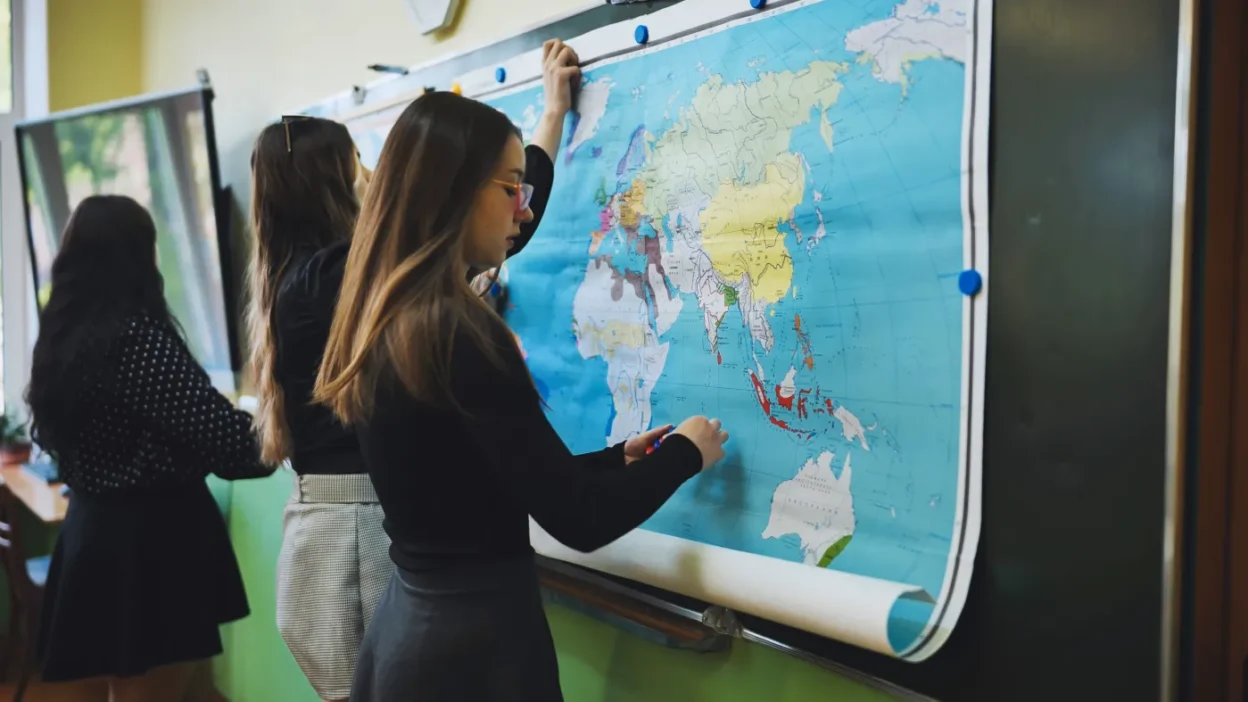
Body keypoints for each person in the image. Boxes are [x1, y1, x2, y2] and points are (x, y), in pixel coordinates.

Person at [311, 90, 730, 701]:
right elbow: (579, 519)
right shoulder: (458, 332)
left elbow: (474, 479)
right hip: (473, 653)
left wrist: (613, 460)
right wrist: (686, 454)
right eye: (512, 186)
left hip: (412, 633)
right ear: (453, 190)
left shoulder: (386, 315)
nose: (525, 210)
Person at [248, 38, 582, 702]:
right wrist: (545, 118)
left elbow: (499, 227)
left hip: (327, 523)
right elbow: (477, 233)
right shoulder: (342, 275)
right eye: (357, 165)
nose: (372, 177)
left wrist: (547, 123)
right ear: (332, 184)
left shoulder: (299, 277)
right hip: (353, 534)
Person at [26, 194, 273, 702]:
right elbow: (232, 444)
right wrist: (278, 420)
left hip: (95, 535)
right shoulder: (136, 341)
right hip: (153, 548)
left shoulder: (64, 340)